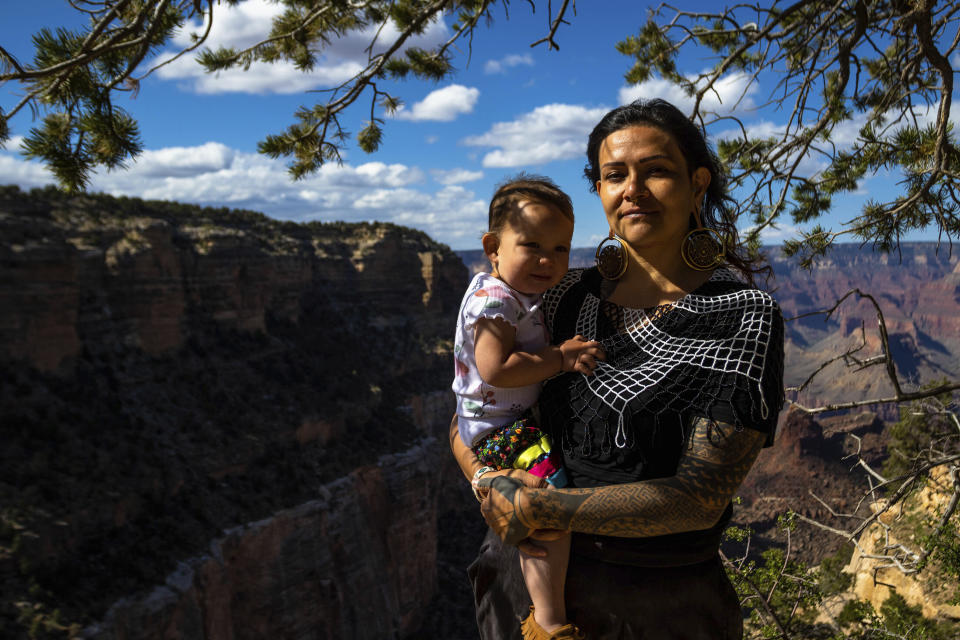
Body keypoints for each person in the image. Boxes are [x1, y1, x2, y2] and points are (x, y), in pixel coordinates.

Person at [450, 98, 785, 640]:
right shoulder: (558, 294)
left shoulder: (742, 317)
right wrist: (485, 479)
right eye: (614, 175)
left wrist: (538, 505)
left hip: (656, 612)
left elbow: (699, 499)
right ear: (600, 191)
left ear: (698, 184)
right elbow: (474, 407)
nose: (632, 189)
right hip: (518, 600)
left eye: (656, 170)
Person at [453, 175, 605, 640]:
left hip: (498, 422)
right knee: (546, 508)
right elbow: (496, 368)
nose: (548, 259)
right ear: (493, 246)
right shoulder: (496, 299)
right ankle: (549, 621)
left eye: (561, 249)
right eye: (533, 244)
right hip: (499, 429)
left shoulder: (516, 293)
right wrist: (559, 357)